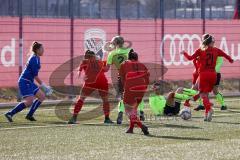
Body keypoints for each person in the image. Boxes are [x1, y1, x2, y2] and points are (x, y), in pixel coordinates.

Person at [181, 33, 234, 122]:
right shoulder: (216, 50)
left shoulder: (200, 50)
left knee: (202, 94)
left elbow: (190, 58)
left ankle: (208, 108)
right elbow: (226, 56)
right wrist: (231, 60)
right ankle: (206, 115)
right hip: (213, 74)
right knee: (204, 93)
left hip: (204, 74)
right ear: (211, 42)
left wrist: (184, 53)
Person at [5, 42, 52, 122]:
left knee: (42, 96)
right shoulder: (34, 59)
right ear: (37, 50)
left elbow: (34, 76)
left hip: (29, 82)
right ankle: (10, 113)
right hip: (24, 82)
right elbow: (35, 76)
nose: (43, 50)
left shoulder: (37, 58)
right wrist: (44, 86)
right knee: (29, 101)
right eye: (42, 49)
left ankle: (29, 115)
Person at [104, 36, 145, 124]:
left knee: (122, 96)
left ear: (115, 43)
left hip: (122, 76)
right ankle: (141, 112)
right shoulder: (130, 50)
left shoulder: (111, 54)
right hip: (133, 76)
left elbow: (106, 69)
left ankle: (120, 113)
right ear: (123, 43)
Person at [68, 50, 113, 124]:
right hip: (102, 81)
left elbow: (79, 72)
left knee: (81, 98)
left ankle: (74, 118)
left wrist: (82, 76)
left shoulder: (84, 62)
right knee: (105, 100)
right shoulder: (100, 62)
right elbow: (106, 69)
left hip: (89, 82)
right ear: (94, 56)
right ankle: (107, 118)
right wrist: (108, 63)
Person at [119, 51, 149, 135]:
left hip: (131, 87)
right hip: (141, 88)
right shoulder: (142, 65)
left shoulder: (124, 63)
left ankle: (141, 126)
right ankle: (131, 128)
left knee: (128, 109)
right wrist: (144, 88)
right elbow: (147, 78)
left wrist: (124, 87)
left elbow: (121, 78)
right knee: (134, 109)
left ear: (129, 58)